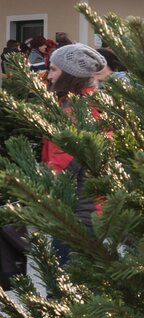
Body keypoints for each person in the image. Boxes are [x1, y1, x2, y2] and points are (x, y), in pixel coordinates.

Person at [42, 44, 108, 261]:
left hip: (77, 212)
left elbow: (60, 166)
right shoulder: (96, 102)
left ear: (71, 75)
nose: (48, 76)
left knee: (66, 284)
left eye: (53, 70)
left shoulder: (76, 110)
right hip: (95, 211)